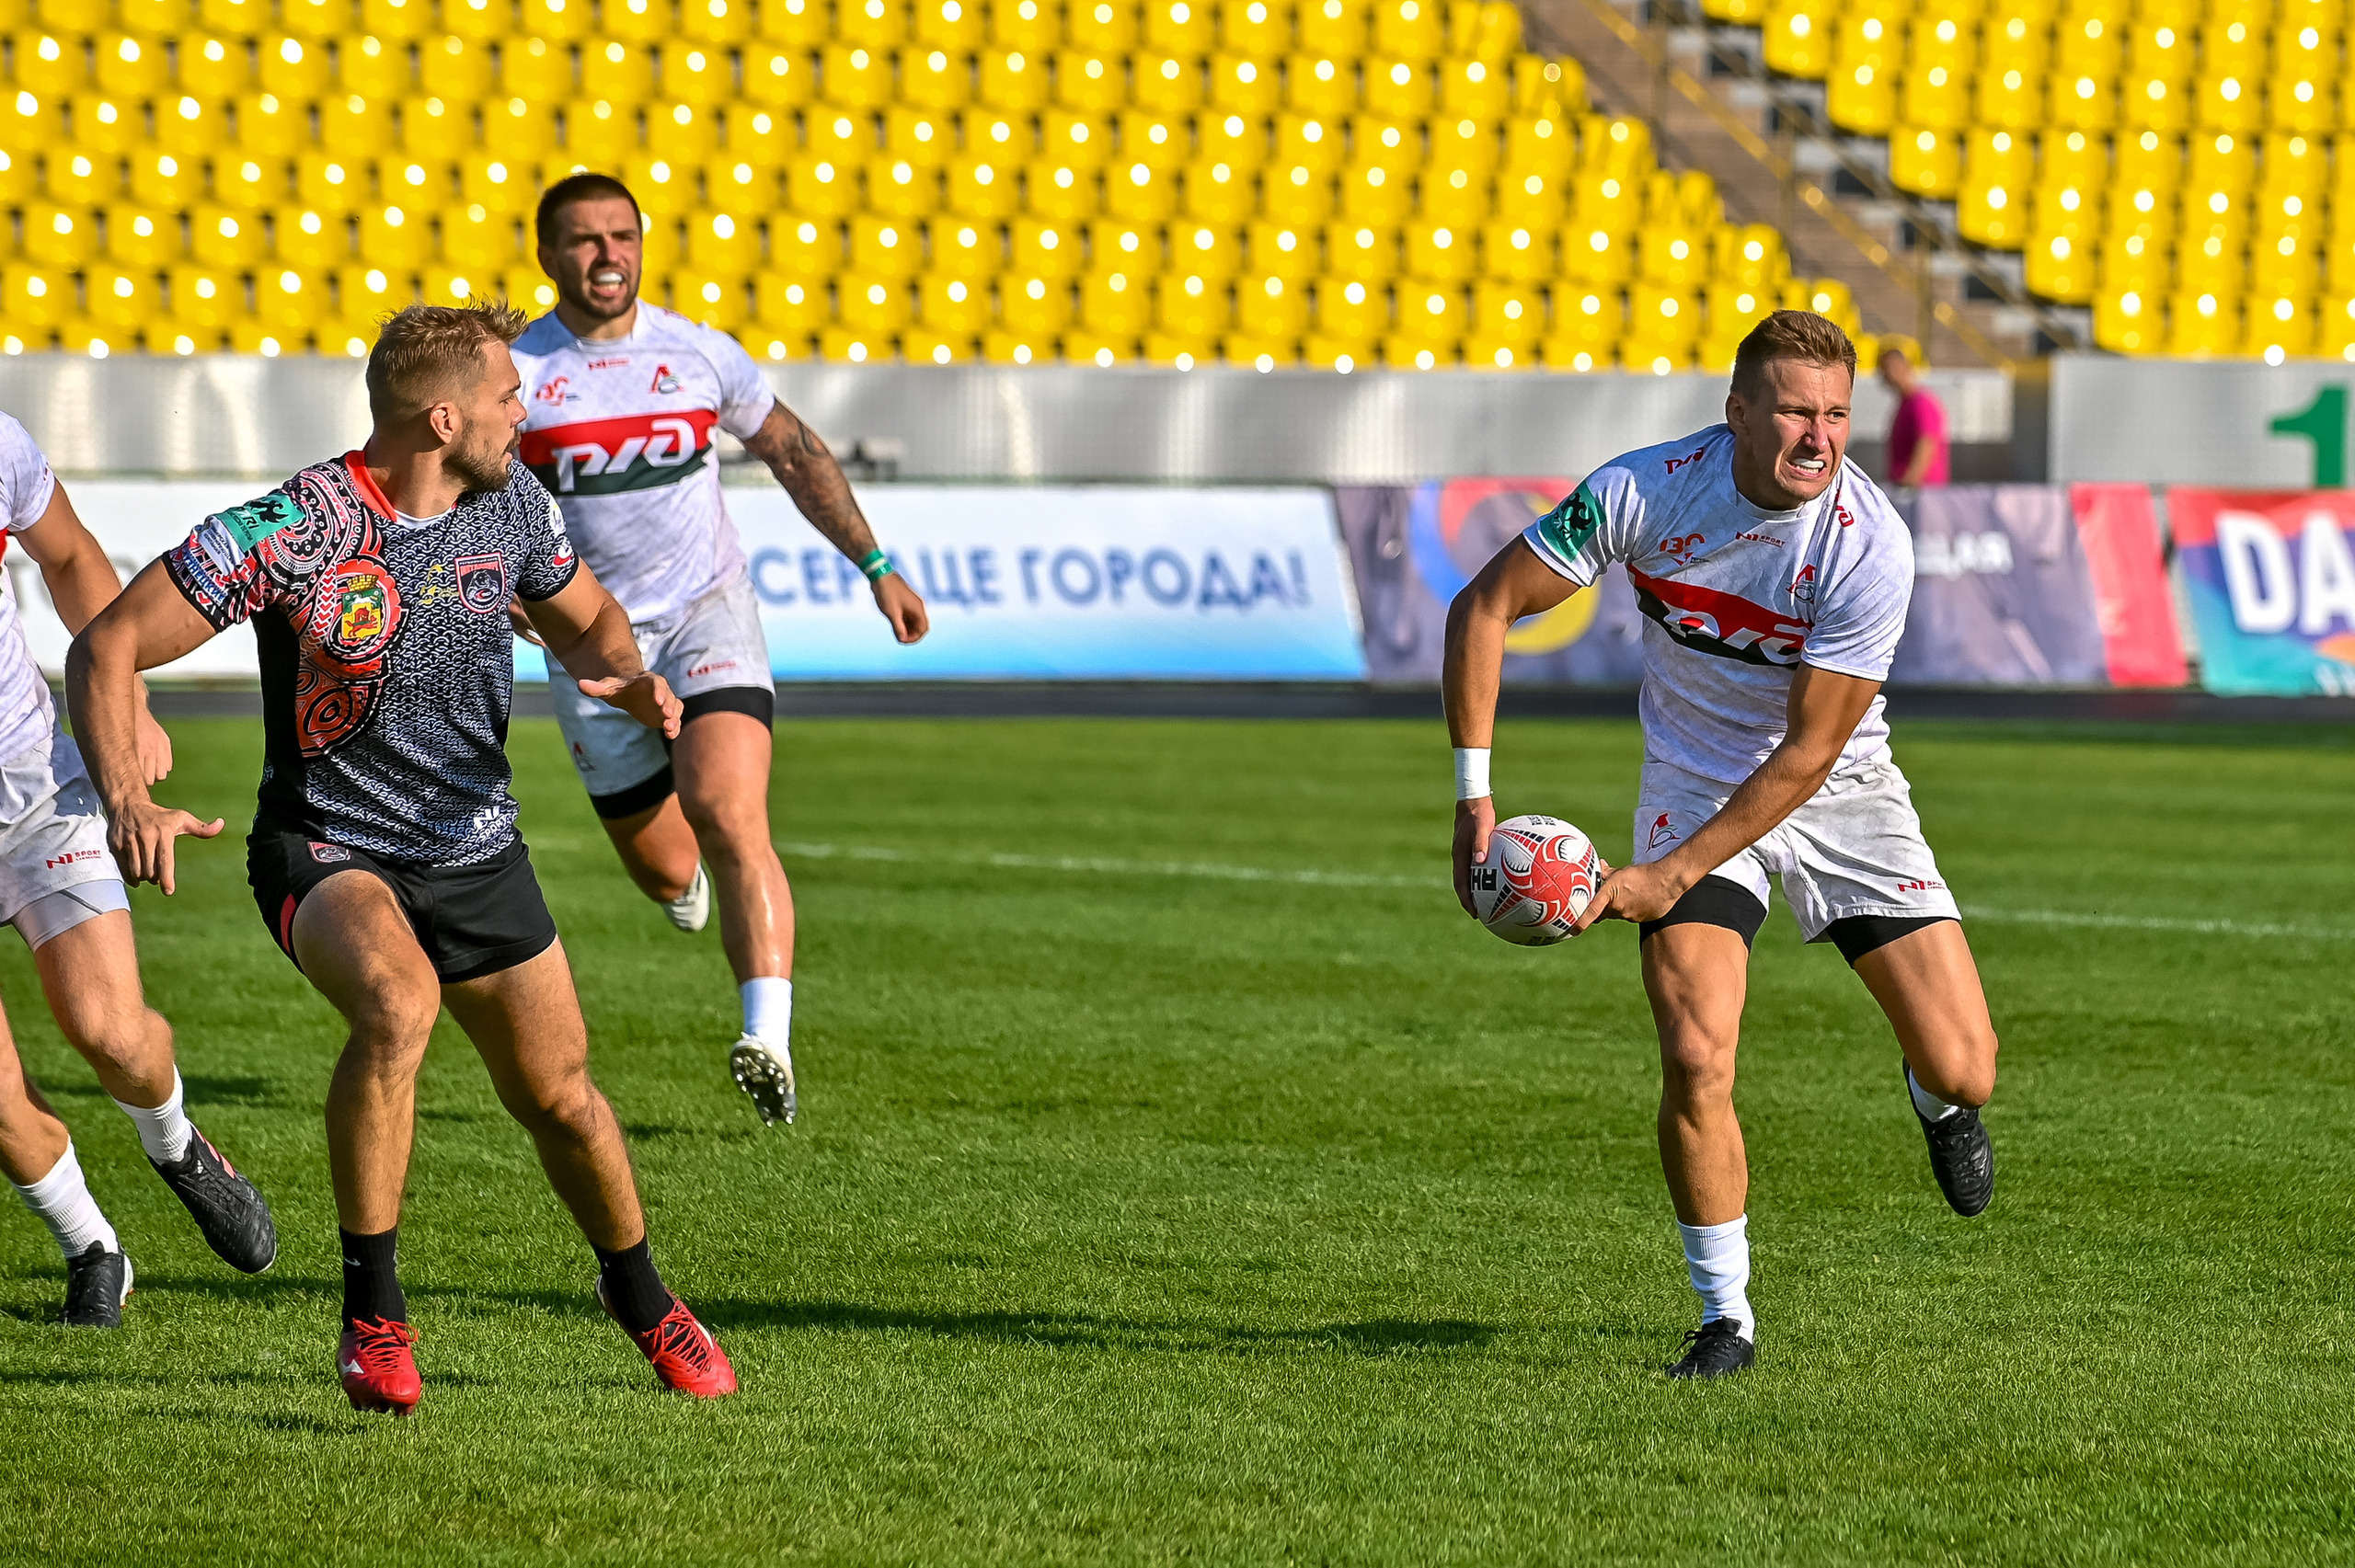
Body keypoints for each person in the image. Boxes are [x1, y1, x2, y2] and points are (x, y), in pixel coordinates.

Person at [67, 303, 736, 1412]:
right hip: (325, 843)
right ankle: (373, 1319)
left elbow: (589, 621)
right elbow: (110, 643)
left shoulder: (514, 505)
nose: (524, 413)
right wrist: (125, 796)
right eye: (507, 396)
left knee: (562, 1097)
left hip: (477, 846)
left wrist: (622, 675)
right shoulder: (297, 526)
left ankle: (641, 1295)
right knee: (397, 1003)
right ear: (443, 419)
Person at [1442, 311, 1999, 1381]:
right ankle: (1723, 1319)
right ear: (1737, 412)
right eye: (1793, 411)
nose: (1817, 436)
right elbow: (1486, 605)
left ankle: (1934, 1099)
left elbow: (1807, 754)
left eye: (1835, 415)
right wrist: (1474, 800)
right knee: (1695, 1050)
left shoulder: (1868, 543)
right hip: (1691, 782)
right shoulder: (1643, 492)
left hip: (1841, 791)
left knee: (1965, 1064)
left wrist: (1667, 875)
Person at [510, 173, 931, 1128]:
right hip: (593, 645)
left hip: (708, 612)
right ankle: (684, 880)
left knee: (729, 810)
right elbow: (463, 506)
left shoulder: (698, 353)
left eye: (622, 235)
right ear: (548, 255)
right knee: (666, 870)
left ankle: (766, 1036)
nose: (607, 255)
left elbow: (793, 451)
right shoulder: (519, 374)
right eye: (585, 239)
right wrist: (512, 604)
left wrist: (876, 565)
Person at [0, 411, 277, 1328]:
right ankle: (94, 1249)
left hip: (35, 787)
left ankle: (178, 1145)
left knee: (112, 1032)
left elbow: (72, 556)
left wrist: (130, 697)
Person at [1878, 340, 1948, 486]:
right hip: (1908, 489)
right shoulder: (1904, 403)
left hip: (1922, 491)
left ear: (1904, 367)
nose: (1885, 375)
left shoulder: (1921, 403)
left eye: (1889, 368)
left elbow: (1927, 442)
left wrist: (1910, 480)